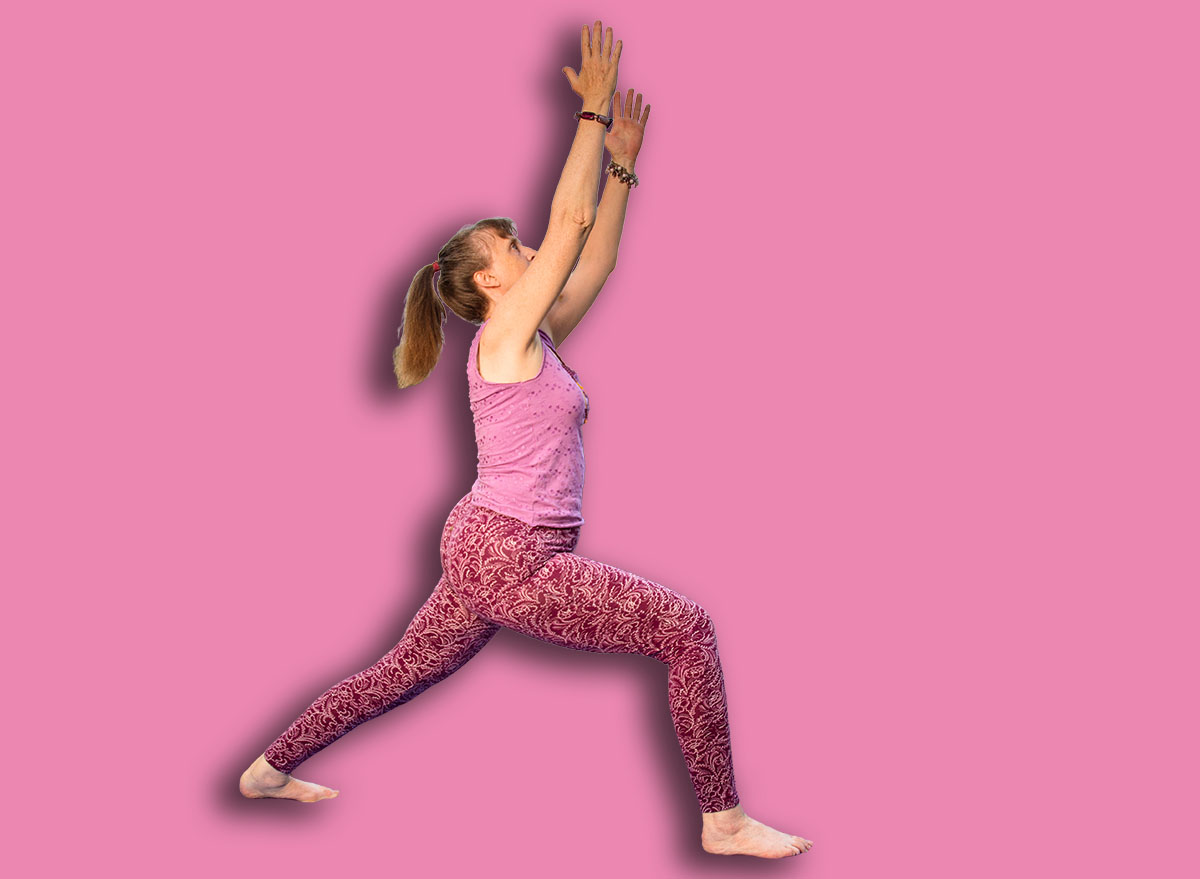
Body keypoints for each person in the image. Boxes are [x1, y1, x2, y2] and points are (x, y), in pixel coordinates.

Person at [239, 20, 813, 860]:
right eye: (511, 245)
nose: (529, 245)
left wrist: (622, 165)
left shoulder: (532, 336)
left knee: (397, 673)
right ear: (489, 281)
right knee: (686, 629)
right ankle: (722, 819)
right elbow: (570, 222)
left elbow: (594, 259)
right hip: (512, 551)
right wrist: (589, 115)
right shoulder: (502, 333)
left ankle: (266, 769)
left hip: (490, 543)